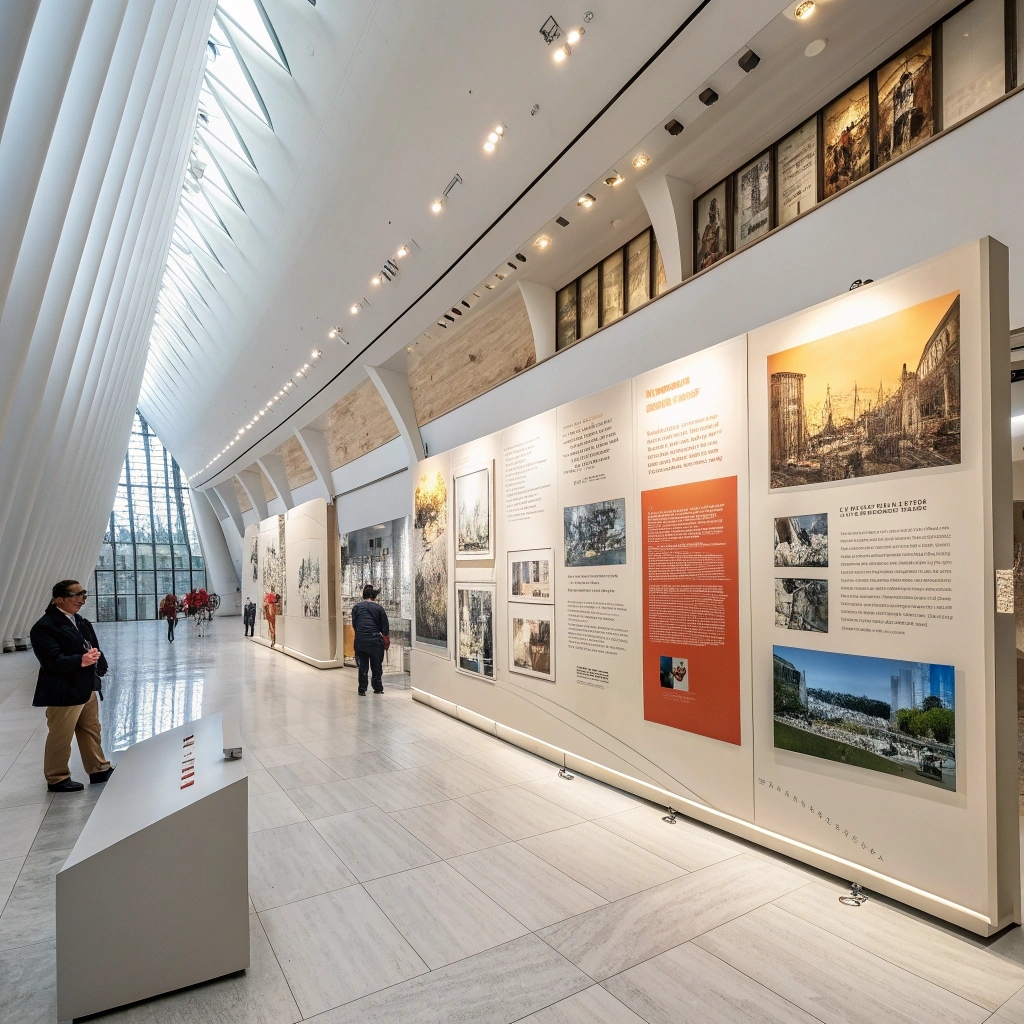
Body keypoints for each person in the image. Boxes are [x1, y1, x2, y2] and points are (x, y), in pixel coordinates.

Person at [29, 581, 114, 792]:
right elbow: (51, 660)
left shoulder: (80, 621)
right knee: (61, 734)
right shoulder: (44, 627)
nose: (81, 599)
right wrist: (80, 660)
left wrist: (99, 663)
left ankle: (98, 768)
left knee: (91, 729)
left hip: (85, 686)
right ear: (59, 599)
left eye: (83, 594)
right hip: (63, 690)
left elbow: (93, 646)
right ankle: (57, 777)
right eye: (76, 595)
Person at [351, 584, 389, 695]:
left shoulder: (356, 608)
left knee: (362, 667)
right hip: (375, 642)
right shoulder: (379, 608)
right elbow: (385, 628)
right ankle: (378, 688)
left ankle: (362, 689)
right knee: (376, 666)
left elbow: (355, 625)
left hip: (360, 641)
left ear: (364, 595)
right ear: (374, 596)